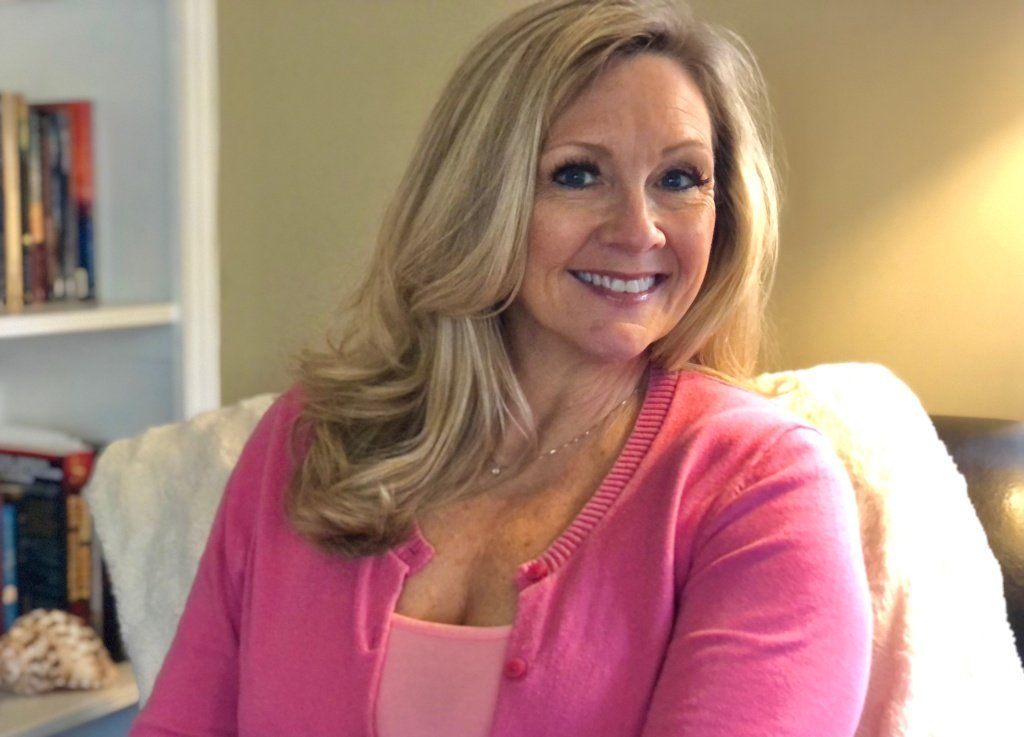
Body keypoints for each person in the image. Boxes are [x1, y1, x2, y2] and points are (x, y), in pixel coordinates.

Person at [131, 1, 872, 735]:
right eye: (578, 174)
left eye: (680, 179)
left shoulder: (763, 486)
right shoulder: (310, 438)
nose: (638, 229)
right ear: (479, 198)